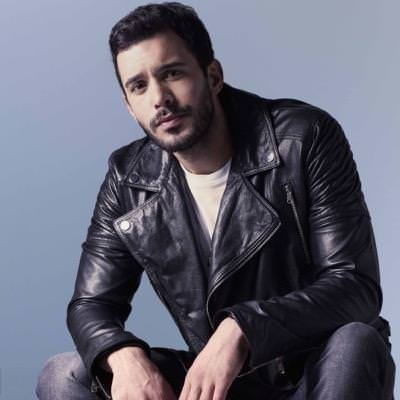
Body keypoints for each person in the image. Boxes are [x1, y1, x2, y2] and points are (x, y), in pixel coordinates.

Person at [36, 2, 396, 399]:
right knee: (63, 374)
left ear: (213, 75)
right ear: (128, 105)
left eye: (172, 73)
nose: (159, 98)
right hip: (220, 387)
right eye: (139, 86)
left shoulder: (303, 138)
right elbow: (90, 305)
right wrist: (122, 356)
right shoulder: (129, 179)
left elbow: (354, 286)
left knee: (355, 342)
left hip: (320, 375)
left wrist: (242, 329)